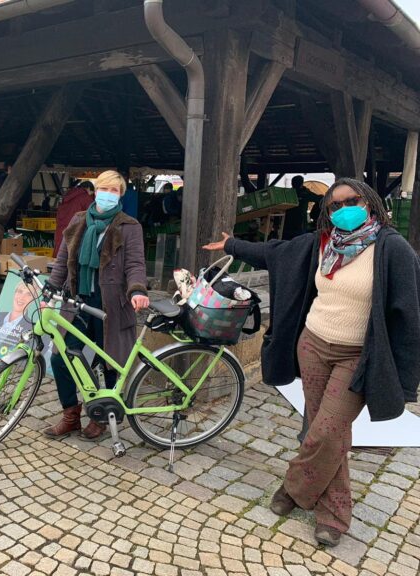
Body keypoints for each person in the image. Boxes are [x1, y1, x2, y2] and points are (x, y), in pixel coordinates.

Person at [203, 177, 420, 547]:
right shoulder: (322, 244)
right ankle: (332, 515)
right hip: (314, 346)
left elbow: (409, 316)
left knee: (326, 431)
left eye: (351, 201)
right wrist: (232, 245)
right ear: (327, 213)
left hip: (357, 356)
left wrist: (405, 378)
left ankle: (294, 487)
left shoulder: (392, 249)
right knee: (326, 432)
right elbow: (274, 253)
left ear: (368, 202)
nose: (344, 209)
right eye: (335, 206)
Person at [43, 170, 149, 440]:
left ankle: (103, 417)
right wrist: (50, 289)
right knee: (62, 356)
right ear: (95, 190)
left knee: (110, 363)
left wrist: (137, 290)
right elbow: (63, 260)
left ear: (121, 195)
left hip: (112, 306)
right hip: (77, 302)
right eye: (105, 188)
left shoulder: (130, 226)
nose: (109, 194)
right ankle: (70, 414)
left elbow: (135, 264)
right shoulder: (79, 220)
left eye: (115, 191)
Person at [0, 281, 35, 356]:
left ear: (32, 300)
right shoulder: (0, 316)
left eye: (28, 294)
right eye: (20, 291)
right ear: (14, 294)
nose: (22, 297)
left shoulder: (30, 326)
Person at [53, 181, 94, 257]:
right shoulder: (85, 197)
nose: (91, 195)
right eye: (91, 193)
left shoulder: (67, 195)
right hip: (74, 231)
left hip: (60, 229)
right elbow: (92, 215)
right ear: (88, 188)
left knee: (59, 255)